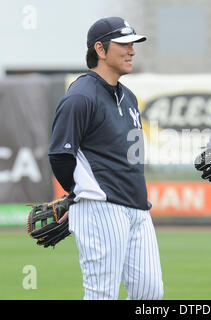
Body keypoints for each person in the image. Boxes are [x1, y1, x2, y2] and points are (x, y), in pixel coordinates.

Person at [48, 17, 163, 300]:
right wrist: (78, 195)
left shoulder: (129, 97)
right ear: (100, 49)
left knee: (150, 293)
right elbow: (60, 155)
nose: (132, 50)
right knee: (102, 295)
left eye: (133, 44)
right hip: (101, 208)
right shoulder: (80, 96)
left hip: (138, 207)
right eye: (124, 44)